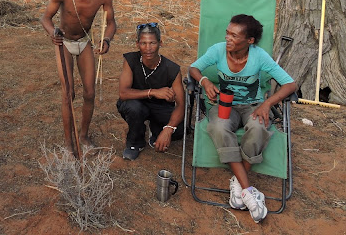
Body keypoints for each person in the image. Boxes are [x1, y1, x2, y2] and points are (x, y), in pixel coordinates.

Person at [188, 14, 297, 223]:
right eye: (227, 33)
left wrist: (267, 103)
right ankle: (248, 190)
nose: (228, 38)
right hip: (224, 104)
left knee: (258, 127)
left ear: (250, 41)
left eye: (234, 36)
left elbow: (290, 84)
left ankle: (238, 186)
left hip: (253, 106)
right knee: (219, 127)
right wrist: (204, 81)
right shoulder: (218, 50)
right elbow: (193, 68)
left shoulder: (259, 56)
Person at [40, 0, 116, 152]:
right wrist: (52, 33)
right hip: (64, 43)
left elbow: (111, 23)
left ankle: (83, 136)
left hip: (84, 42)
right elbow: (46, 18)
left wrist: (106, 40)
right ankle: (68, 143)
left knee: (89, 93)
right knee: (68, 93)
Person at [117, 22, 184, 161]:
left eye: (152, 43)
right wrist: (153, 92)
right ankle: (135, 142)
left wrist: (168, 129)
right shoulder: (130, 60)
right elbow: (123, 93)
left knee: (179, 130)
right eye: (143, 43)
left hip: (160, 106)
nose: (148, 48)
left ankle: (156, 128)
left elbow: (181, 105)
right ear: (137, 44)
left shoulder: (172, 69)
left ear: (160, 43)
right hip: (137, 102)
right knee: (134, 108)